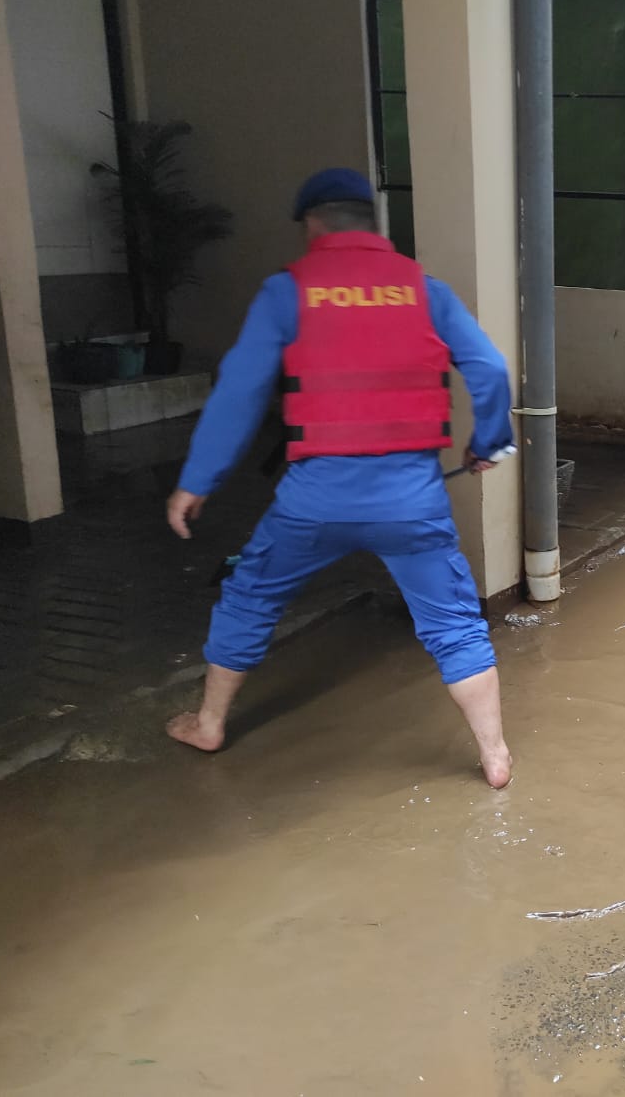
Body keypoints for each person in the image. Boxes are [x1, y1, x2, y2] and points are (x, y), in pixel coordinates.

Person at [163, 168, 516, 788]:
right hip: (412, 501)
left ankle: (210, 723)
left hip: (312, 501)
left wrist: (199, 480)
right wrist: (487, 442)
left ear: (313, 224)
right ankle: (493, 756)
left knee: (250, 594)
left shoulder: (286, 292)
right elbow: (488, 368)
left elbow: (239, 392)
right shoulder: (424, 290)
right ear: (371, 223)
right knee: (453, 623)